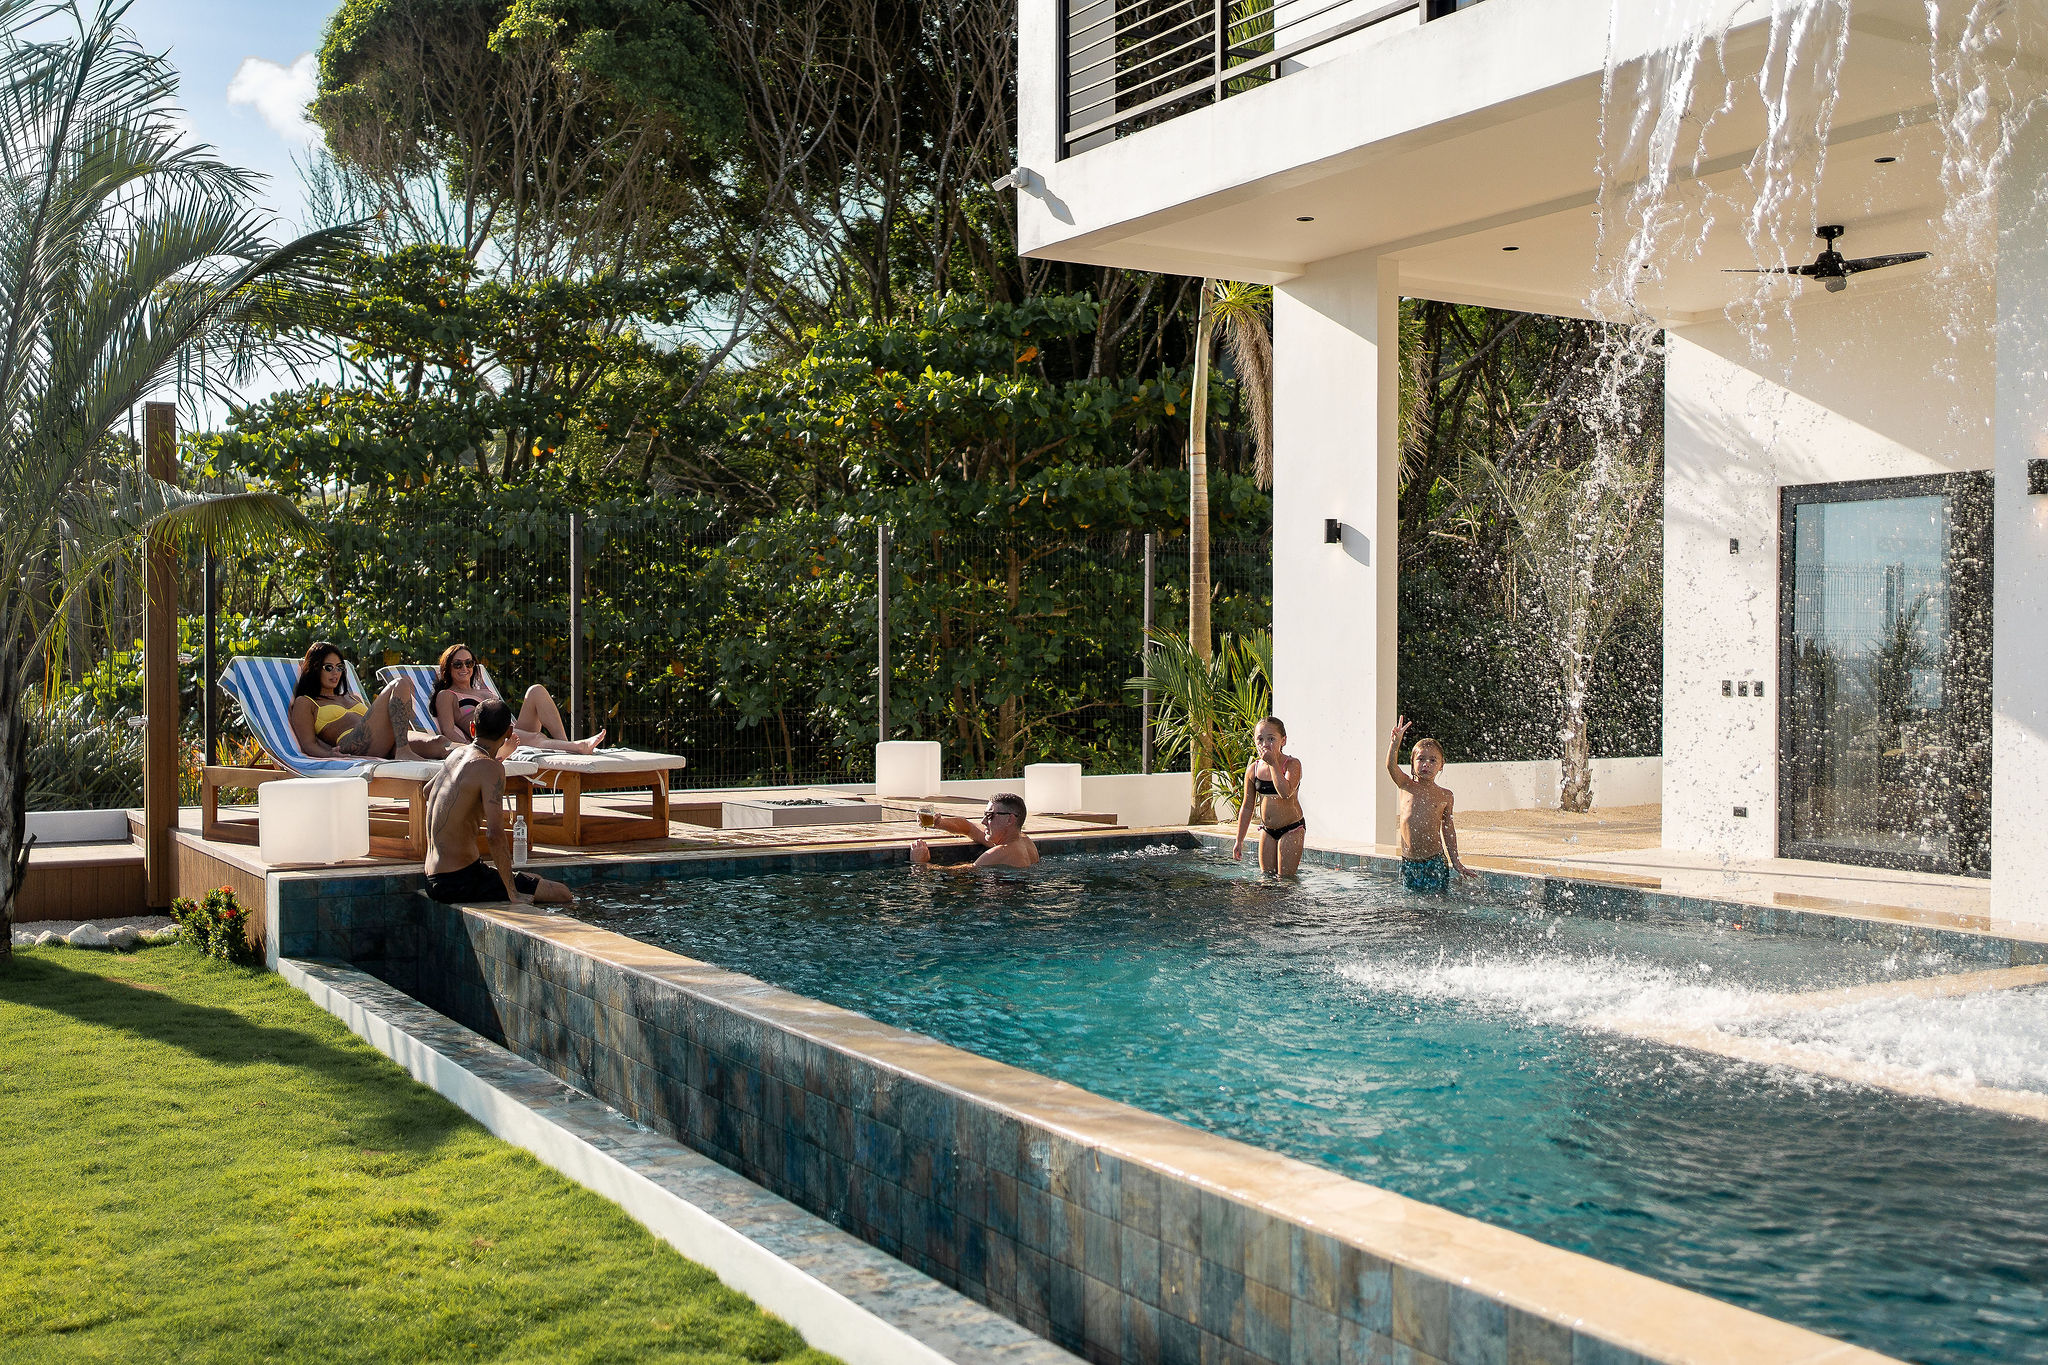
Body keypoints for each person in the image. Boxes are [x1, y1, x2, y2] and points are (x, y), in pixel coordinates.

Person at [422, 699, 574, 905]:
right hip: (459, 880)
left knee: (534, 879)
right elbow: (494, 834)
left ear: (473, 728)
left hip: (432, 878)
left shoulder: (457, 754)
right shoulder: (491, 769)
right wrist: (512, 892)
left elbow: (427, 791)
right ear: (509, 732)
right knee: (562, 893)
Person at [427, 642, 605, 755]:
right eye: (457, 664)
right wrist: (472, 749)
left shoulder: (483, 690)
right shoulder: (447, 695)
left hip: (510, 731)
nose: (464, 668)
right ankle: (579, 747)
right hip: (492, 739)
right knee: (535, 738)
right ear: (448, 668)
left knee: (536, 690)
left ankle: (566, 745)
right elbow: (448, 730)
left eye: (469, 663)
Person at [288, 641, 448, 761]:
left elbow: (379, 721)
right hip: (353, 744)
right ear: (315, 668)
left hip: (380, 742)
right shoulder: (306, 702)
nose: (335, 673)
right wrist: (329, 754)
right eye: (329, 667)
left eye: (339, 667)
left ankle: (465, 763)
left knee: (439, 743)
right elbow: (308, 744)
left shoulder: (352, 697)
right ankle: (403, 751)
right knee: (400, 683)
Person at [1385, 716, 1478, 893]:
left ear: (1441, 765)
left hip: (1435, 861)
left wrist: (1456, 862)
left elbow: (1448, 829)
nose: (1426, 764)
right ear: (1412, 762)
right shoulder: (1405, 785)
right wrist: (1395, 743)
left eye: (1433, 760)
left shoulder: (1445, 795)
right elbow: (1390, 766)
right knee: (1410, 904)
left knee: (1438, 904)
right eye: (1421, 759)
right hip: (1409, 862)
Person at [1232, 715, 1306, 876]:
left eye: (1271, 739)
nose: (1265, 744)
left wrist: (1273, 764)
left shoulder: (1292, 765)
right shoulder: (1253, 769)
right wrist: (1239, 840)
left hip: (1292, 828)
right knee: (1266, 879)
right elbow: (1247, 806)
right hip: (1267, 830)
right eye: (1260, 739)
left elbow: (1285, 793)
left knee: (1285, 880)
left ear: (1283, 741)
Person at [910, 792, 1041, 870]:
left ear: (1009, 819)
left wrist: (920, 863)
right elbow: (970, 827)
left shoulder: (999, 853)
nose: (983, 821)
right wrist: (939, 823)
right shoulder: (1024, 840)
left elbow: (949, 872)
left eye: (990, 816)